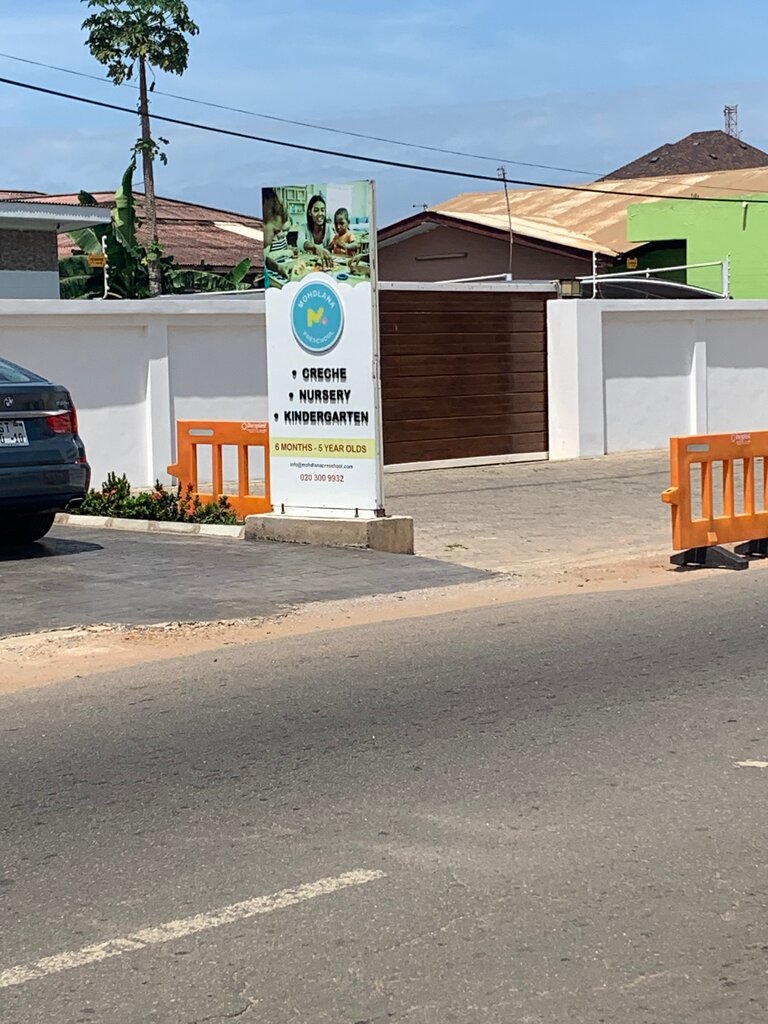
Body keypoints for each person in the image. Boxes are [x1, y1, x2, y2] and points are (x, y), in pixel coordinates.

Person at [300, 194, 333, 268]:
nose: (320, 214)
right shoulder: (303, 228)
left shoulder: (328, 229)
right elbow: (301, 242)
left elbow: (332, 245)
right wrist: (316, 248)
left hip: (324, 267)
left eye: (323, 210)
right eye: (316, 210)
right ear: (309, 212)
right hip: (307, 267)